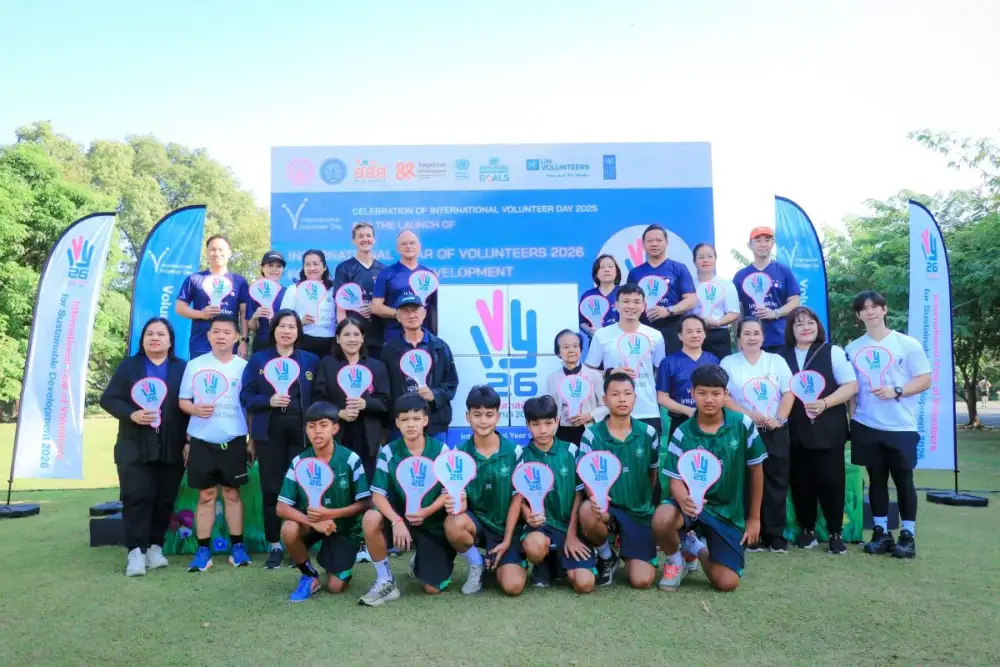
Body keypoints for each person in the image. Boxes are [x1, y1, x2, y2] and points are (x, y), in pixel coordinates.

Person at [653, 364, 767, 592]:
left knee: (727, 583)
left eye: (716, 393)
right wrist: (684, 499)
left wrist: (754, 518)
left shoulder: (743, 424)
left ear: (726, 394)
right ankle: (675, 561)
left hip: (727, 512)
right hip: (690, 505)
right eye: (702, 393)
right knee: (662, 518)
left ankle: (694, 547)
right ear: (692, 393)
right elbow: (675, 479)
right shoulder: (682, 432)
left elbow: (756, 471)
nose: (709, 399)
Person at [100, 317, 189, 577]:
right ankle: (135, 552)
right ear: (143, 339)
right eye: (150, 333)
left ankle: (154, 547)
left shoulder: (182, 368)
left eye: (161, 334)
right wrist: (132, 414)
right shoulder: (129, 366)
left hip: (171, 444)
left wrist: (188, 441)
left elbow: (189, 406)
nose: (155, 338)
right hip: (135, 445)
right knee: (137, 496)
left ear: (170, 341)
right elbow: (109, 399)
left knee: (164, 498)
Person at [846, 291, 931, 559]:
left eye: (875, 306)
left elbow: (925, 379)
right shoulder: (852, 349)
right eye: (864, 308)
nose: (870, 311)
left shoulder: (907, 344)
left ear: (884, 310)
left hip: (901, 426)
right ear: (859, 315)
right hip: (866, 424)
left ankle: (908, 535)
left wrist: (897, 390)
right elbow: (851, 388)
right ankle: (881, 533)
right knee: (876, 480)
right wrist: (852, 417)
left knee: (904, 480)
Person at [239, 310, 319, 569]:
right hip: (269, 432)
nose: (287, 331)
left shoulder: (310, 361)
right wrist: (268, 400)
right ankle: (274, 545)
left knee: (301, 489)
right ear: (273, 330)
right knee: (272, 488)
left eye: (292, 327)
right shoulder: (259, 359)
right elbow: (246, 396)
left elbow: (319, 397)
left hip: (301, 433)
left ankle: (299, 543)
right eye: (282, 326)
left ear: (298, 332)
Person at [358, 393, 453, 607]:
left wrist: (427, 511)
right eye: (405, 419)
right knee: (371, 517)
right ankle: (385, 580)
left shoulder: (441, 450)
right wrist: (396, 520)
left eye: (416, 418)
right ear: (397, 423)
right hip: (400, 519)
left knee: (432, 589)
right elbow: (378, 495)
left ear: (425, 420)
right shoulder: (389, 451)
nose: (411, 424)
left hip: (432, 522)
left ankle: (419, 561)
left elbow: (448, 492)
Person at [778, 306, 857, 554]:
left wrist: (825, 403)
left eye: (810, 322)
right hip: (795, 431)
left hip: (828, 429)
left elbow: (851, 386)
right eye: (799, 323)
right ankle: (807, 530)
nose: (805, 328)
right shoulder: (780, 356)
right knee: (801, 483)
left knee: (832, 482)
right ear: (791, 330)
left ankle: (835, 532)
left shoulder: (833, 352)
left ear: (818, 326)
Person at [276, 402, 372, 602]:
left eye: (323, 425)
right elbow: (281, 507)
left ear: (335, 428)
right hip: (312, 524)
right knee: (289, 529)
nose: (317, 431)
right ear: (306, 430)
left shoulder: (351, 459)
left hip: (345, 529)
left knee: (336, 587)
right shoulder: (299, 461)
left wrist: (330, 514)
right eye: (311, 426)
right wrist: (313, 522)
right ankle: (309, 575)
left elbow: (365, 503)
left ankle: (336, 563)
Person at [178, 314, 251, 571]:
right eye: (216, 331)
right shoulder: (195, 365)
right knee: (206, 495)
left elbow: (250, 406)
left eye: (227, 332)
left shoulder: (244, 367)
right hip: (202, 440)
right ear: (208, 336)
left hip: (234, 439)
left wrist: (251, 440)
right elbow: (183, 401)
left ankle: (238, 548)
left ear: (236, 337)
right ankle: (203, 551)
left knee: (232, 493)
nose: (221, 336)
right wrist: (195, 410)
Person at [577, 373, 659, 589]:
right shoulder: (591, 435)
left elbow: (652, 473)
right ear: (605, 399)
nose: (622, 399)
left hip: (638, 511)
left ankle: (628, 544)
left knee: (642, 581)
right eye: (615, 394)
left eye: (627, 393)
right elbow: (586, 476)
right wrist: (596, 501)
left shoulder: (648, 433)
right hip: (607, 509)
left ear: (635, 398)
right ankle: (607, 555)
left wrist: (642, 500)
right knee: (587, 511)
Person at [720, 317, 795, 552]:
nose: (752, 338)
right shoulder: (729, 362)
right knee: (746, 481)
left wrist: (779, 419)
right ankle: (750, 534)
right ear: (738, 338)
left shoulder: (776, 361)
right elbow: (724, 396)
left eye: (756, 333)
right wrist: (748, 415)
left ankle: (775, 534)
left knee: (776, 481)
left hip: (774, 430)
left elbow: (789, 392)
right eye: (746, 333)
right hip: (743, 429)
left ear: (763, 337)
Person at [445, 386, 527, 596]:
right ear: (468, 416)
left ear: (498, 417)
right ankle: (477, 564)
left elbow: (517, 500)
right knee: (453, 523)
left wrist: (507, 540)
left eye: (489, 415)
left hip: (506, 528)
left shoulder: (515, 451)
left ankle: (505, 560)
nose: (483, 421)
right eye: (477, 414)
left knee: (513, 587)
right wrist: (456, 502)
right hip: (477, 525)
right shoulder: (458, 453)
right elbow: (456, 494)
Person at [519, 395, 596, 593]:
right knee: (534, 546)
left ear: (558, 421)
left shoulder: (572, 451)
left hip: (570, 526)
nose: (543, 430)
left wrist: (572, 534)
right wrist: (527, 513)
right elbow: (517, 498)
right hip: (540, 528)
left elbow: (580, 494)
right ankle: (543, 563)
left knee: (584, 584)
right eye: (536, 424)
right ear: (527, 425)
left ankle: (561, 561)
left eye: (548, 423)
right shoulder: (522, 455)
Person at [584, 283, 666, 438]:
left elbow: (660, 372)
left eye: (636, 302)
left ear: (644, 306)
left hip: (647, 410)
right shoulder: (601, 335)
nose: (631, 306)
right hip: (612, 410)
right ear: (616, 305)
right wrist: (610, 372)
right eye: (626, 301)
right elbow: (588, 372)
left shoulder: (655, 336)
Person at [314, 316, 391, 481]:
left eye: (356, 335)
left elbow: (385, 402)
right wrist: (338, 413)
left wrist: (366, 403)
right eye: (346, 335)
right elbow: (318, 399)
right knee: (338, 480)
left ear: (363, 338)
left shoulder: (376, 366)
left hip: (367, 434)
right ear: (337, 338)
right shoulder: (327, 364)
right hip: (337, 432)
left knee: (365, 480)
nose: (352, 339)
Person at [380, 295, 458, 438]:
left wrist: (434, 395)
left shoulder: (439, 347)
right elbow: (384, 389)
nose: (411, 315)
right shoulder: (389, 349)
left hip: (434, 423)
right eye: (406, 311)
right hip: (401, 424)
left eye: (415, 310)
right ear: (398, 317)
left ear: (424, 314)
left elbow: (451, 383)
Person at [625, 224, 697, 354]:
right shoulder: (635, 273)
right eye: (650, 241)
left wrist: (669, 310)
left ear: (666, 243)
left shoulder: (679, 268)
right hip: (643, 328)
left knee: (672, 364)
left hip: (673, 328)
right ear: (643, 244)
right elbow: (628, 302)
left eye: (658, 240)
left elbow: (691, 300)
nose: (654, 244)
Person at [175, 235, 250, 359]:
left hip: (230, 345)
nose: (217, 253)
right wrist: (202, 314)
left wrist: (244, 341)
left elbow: (244, 313)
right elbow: (180, 308)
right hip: (200, 343)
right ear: (207, 253)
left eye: (221, 250)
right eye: (213, 249)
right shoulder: (194, 279)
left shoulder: (239, 281)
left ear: (229, 253)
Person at [733, 226, 800, 352]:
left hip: (780, 339)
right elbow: (737, 311)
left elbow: (795, 301)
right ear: (749, 245)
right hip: (751, 340)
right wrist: (738, 341)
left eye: (767, 240)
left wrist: (775, 313)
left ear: (773, 243)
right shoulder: (740, 276)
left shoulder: (783, 271)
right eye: (758, 241)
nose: (763, 244)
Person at [656, 314, 720, 439]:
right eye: (689, 331)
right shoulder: (669, 362)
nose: (695, 335)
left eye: (699, 331)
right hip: (681, 422)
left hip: (711, 421)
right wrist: (688, 411)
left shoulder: (713, 360)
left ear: (705, 334)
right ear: (680, 335)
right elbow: (662, 398)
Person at [334, 222, 388, 361]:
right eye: (360, 236)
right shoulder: (344, 268)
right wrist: (344, 335)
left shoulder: (384, 270)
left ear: (374, 239)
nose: (365, 239)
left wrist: (375, 307)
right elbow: (340, 307)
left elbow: (388, 303)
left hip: (379, 337)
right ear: (354, 240)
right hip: (354, 340)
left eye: (368, 235)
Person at [371, 230, 439, 341]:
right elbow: (376, 307)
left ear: (419, 247)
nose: (408, 246)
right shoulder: (386, 274)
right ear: (398, 248)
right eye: (404, 243)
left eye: (412, 243)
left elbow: (434, 308)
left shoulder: (429, 275)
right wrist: (401, 315)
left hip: (424, 338)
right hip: (395, 337)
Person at [545, 330, 608, 445]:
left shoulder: (594, 376)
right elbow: (551, 409)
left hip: (588, 429)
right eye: (566, 347)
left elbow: (606, 406)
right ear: (558, 352)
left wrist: (590, 416)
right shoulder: (552, 378)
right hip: (561, 432)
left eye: (575, 346)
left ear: (581, 349)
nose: (571, 350)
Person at [691, 243, 740, 360]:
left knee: (719, 368)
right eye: (701, 257)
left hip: (718, 334)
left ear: (715, 259)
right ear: (694, 261)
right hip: (693, 334)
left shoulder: (726, 284)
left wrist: (717, 322)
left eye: (710, 256)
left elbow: (734, 313)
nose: (706, 260)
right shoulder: (689, 284)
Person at [288, 249, 337, 359]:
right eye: (307, 265)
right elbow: (283, 318)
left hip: (331, 344)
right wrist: (299, 322)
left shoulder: (334, 290)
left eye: (315, 264)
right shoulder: (294, 289)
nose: (312, 268)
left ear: (324, 267)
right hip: (303, 341)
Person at [246, 250, 294, 354]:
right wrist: (255, 317)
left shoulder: (289, 293)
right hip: (262, 343)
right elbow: (252, 327)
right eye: (270, 265)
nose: (274, 269)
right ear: (262, 268)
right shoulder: (254, 292)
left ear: (283, 270)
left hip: (285, 344)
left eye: (279, 266)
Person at [579, 253, 621, 338]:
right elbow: (581, 321)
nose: (607, 270)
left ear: (616, 272)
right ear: (596, 274)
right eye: (602, 267)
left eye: (610, 266)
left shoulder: (624, 292)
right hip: (597, 341)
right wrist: (590, 332)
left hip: (620, 339)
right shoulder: (588, 296)